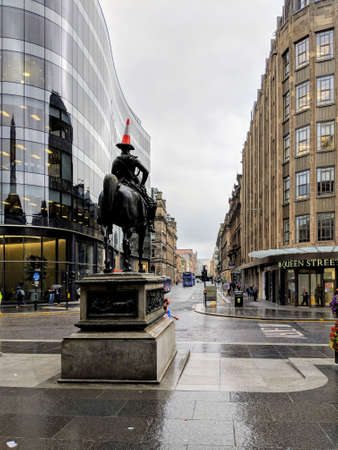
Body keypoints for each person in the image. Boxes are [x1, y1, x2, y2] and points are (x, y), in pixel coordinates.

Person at [111, 119, 157, 232]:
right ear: (129, 149)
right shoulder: (133, 160)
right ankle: (150, 224)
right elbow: (146, 172)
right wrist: (141, 184)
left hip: (118, 182)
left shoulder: (116, 160)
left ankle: (103, 217)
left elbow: (112, 174)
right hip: (132, 184)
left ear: (121, 149)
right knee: (152, 203)